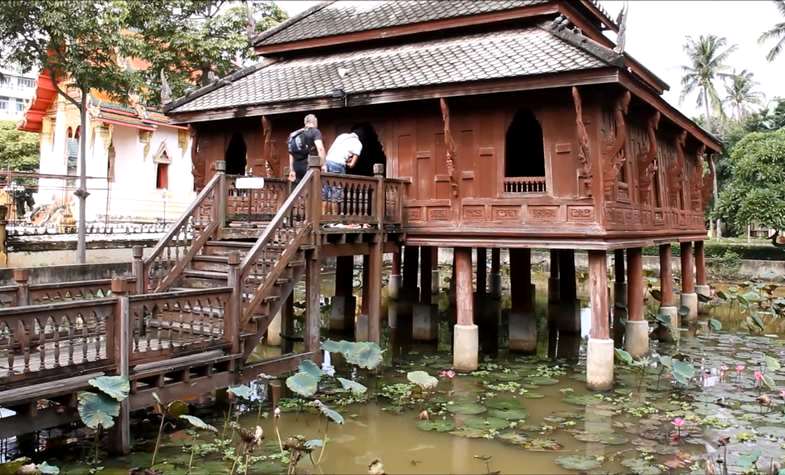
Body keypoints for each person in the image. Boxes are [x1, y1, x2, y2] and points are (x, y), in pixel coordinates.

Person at [322, 131, 362, 215]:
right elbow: (352, 165)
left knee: (326, 191)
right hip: (338, 165)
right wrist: (347, 162)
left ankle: (324, 216)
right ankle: (333, 218)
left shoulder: (342, 136)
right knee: (336, 192)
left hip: (328, 161)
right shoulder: (358, 143)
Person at [288, 114, 326, 183]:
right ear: (315, 122)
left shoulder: (293, 135)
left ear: (305, 123)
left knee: (300, 191)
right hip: (309, 168)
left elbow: (291, 154)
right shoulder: (315, 131)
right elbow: (320, 148)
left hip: (297, 169)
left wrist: (291, 170)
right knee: (313, 190)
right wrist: (323, 165)